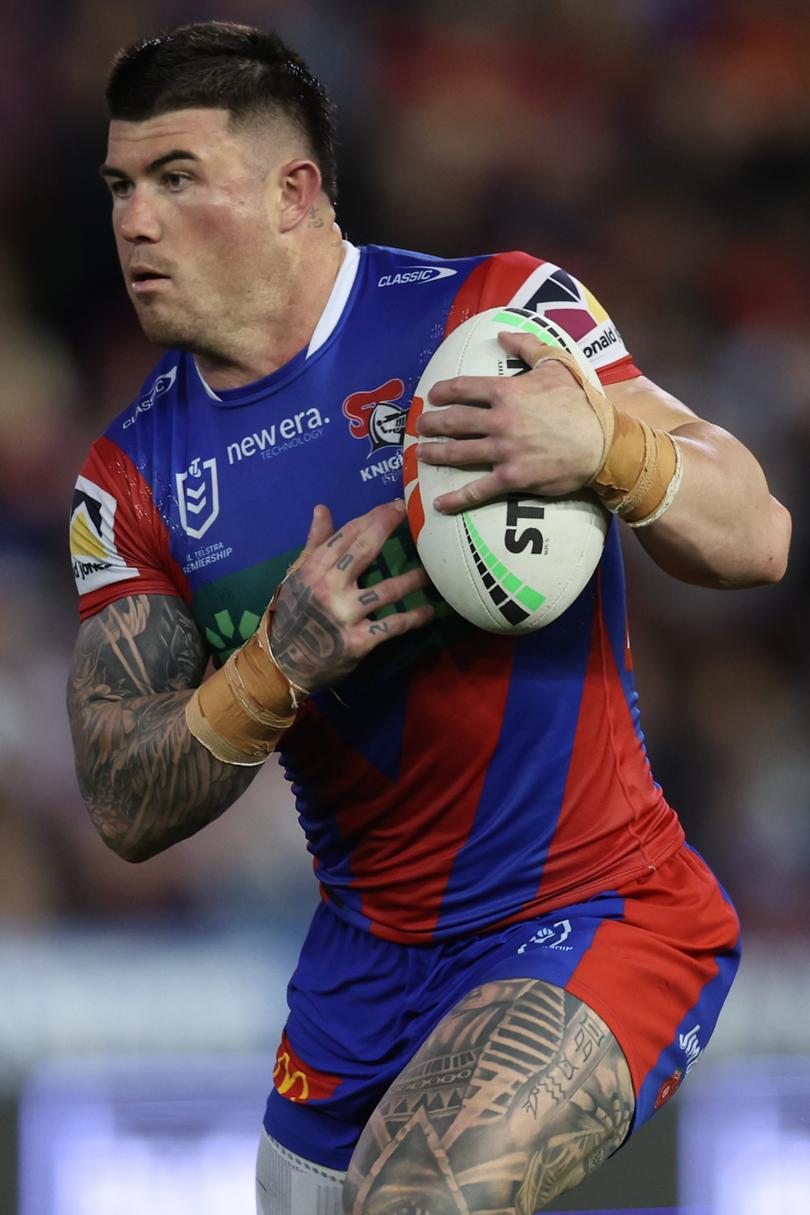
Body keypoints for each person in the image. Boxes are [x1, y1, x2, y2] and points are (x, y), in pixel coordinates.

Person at [66, 20, 790, 1215]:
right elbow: (121, 801)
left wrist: (602, 442)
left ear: (293, 192)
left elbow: (757, 535)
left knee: (410, 1201)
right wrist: (271, 670)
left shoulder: (495, 319)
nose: (134, 220)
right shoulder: (134, 474)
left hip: (597, 909)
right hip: (363, 970)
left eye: (177, 178)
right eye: (120, 186)